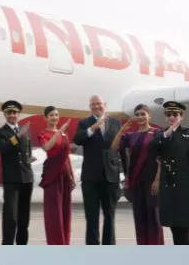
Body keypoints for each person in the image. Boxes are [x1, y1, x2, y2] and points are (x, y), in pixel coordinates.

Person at [73, 95, 123, 245]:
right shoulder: (84, 123)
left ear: (105, 105)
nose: (96, 106)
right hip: (90, 178)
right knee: (91, 217)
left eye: (99, 104)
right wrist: (92, 128)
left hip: (111, 178)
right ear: (90, 107)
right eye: (93, 104)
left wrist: (122, 174)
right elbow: (77, 139)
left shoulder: (115, 123)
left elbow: (120, 149)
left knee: (110, 216)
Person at [112, 104, 164, 244]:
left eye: (143, 114)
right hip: (136, 181)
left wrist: (158, 180)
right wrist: (122, 129)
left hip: (152, 181)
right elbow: (114, 146)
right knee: (139, 217)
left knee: (154, 217)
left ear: (149, 115)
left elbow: (162, 158)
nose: (140, 117)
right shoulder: (130, 136)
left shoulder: (157, 133)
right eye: (138, 114)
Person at [153, 101, 189, 245]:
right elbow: (152, 148)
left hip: (184, 185)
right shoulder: (162, 134)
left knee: (183, 226)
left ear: (181, 116)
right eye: (169, 114)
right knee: (173, 225)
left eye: (175, 114)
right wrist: (170, 130)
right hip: (167, 185)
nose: (172, 117)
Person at [0, 100, 34, 245]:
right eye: (9, 112)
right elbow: (4, 149)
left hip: (27, 178)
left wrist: (28, 158)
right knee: (11, 218)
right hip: (12, 180)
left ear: (18, 114)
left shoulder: (25, 130)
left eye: (15, 112)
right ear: (5, 114)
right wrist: (17, 136)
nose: (12, 115)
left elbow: (28, 149)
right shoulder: (0, 132)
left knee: (24, 218)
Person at [37, 106, 75, 244]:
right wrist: (59, 131)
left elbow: (66, 156)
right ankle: (55, 243)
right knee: (54, 213)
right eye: (51, 115)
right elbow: (47, 147)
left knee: (65, 211)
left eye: (56, 115)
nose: (54, 117)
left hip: (64, 175)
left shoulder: (64, 134)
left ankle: (65, 242)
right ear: (45, 118)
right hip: (52, 176)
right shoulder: (43, 133)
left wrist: (71, 175)